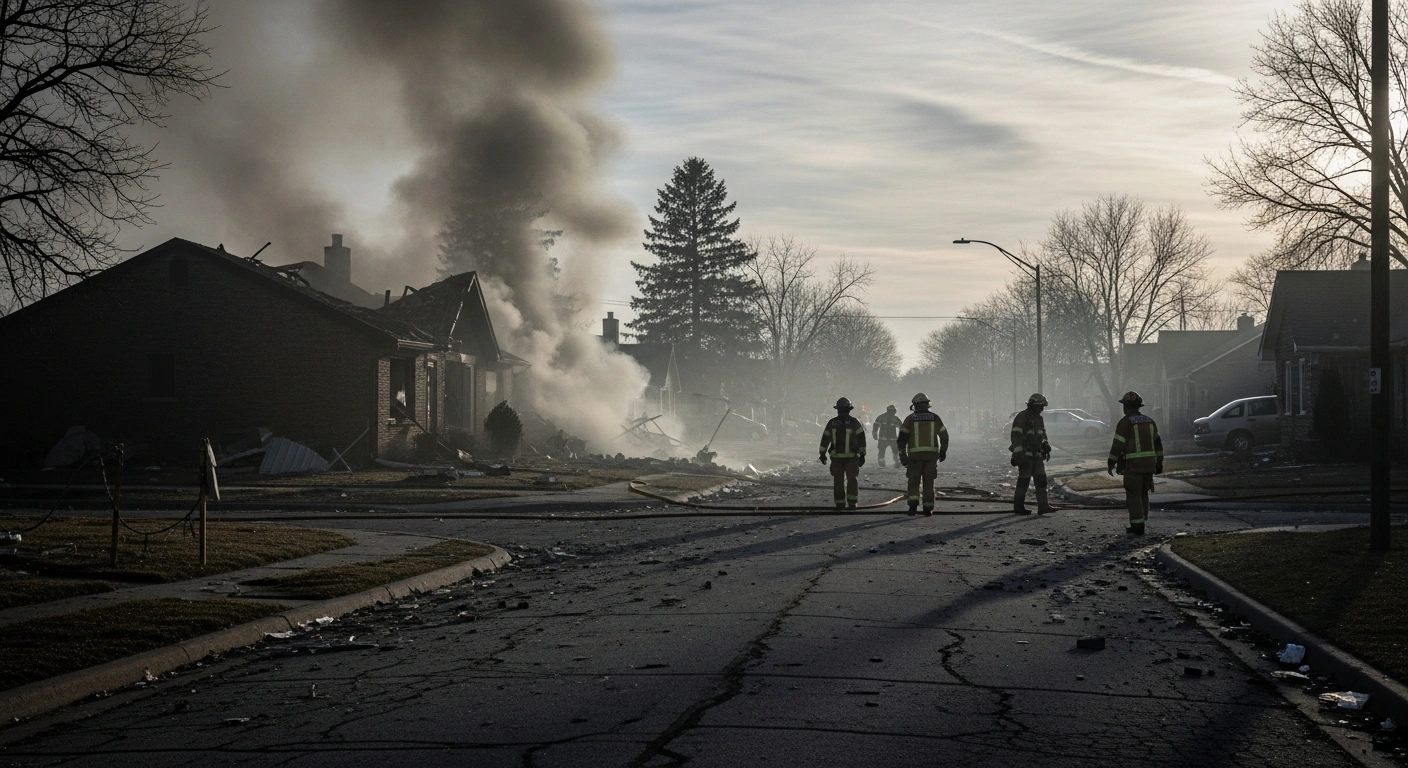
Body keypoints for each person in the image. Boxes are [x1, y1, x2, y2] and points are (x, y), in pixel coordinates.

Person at [1107, 391, 1164, 535]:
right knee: (1144, 492)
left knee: (1134, 493)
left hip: (1133, 465)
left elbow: (1118, 444)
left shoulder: (1125, 422)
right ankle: (1143, 518)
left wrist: (1111, 461)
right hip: (1150, 464)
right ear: (1139, 406)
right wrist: (1159, 462)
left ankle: (1137, 525)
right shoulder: (1150, 421)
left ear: (1125, 406)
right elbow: (1158, 443)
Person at [896, 393, 948, 515]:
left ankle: (913, 507)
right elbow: (944, 435)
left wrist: (903, 457)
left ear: (914, 405)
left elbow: (902, 440)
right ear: (927, 405)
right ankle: (928, 508)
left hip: (914, 458)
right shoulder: (935, 418)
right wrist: (943, 451)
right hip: (931, 457)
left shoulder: (910, 419)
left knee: (913, 482)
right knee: (929, 482)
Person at [1010, 394, 1055, 515]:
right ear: (1033, 406)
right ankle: (1018, 507)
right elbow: (1015, 436)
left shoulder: (1038, 419)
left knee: (1041, 480)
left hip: (1037, 455)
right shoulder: (1022, 417)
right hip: (1025, 455)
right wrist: (1019, 454)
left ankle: (1043, 506)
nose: (1042, 409)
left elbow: (1042, 433)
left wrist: (1045, 444)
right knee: (1024, 481)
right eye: (1040, 406)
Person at [819, 397, 866, 509]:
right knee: (852, 479)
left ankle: (840, 503)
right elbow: (861, 439)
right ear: (849, 409)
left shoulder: (832, 423)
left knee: (838, 481)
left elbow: (825, 439)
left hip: (836, 458)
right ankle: (852, 502)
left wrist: (822, 454)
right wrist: (862, 454)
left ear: (838, 409)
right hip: (851, 457)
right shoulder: (855, 422)